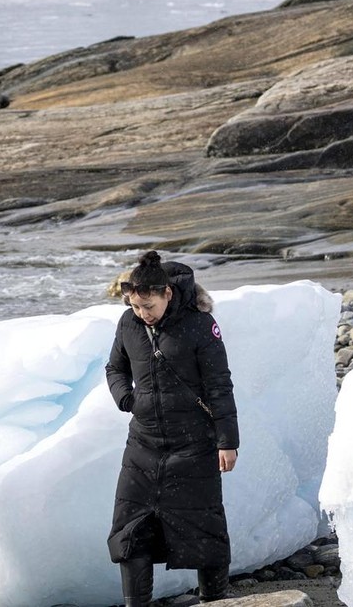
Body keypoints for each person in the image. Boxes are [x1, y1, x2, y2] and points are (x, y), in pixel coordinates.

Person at [106, 252, 238, 606]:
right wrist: (127, 400)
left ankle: (216, 600)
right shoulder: (128, 323)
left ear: (166, 293)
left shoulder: (199, 324)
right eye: (135, 306)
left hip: (194, 444)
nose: (142, 314)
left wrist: (228, 441)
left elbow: (219, 385)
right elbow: (114, 368)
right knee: (129, 527)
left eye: (148, 306)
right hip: (143, 444)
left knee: (205, 525)